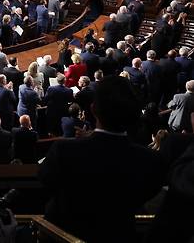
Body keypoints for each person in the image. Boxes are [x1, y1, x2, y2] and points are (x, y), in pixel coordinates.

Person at [39, 76, 167, 242]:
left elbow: (45, 182)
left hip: (65, 235)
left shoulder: (63, 150)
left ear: (93, 109)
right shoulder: (150, 161)